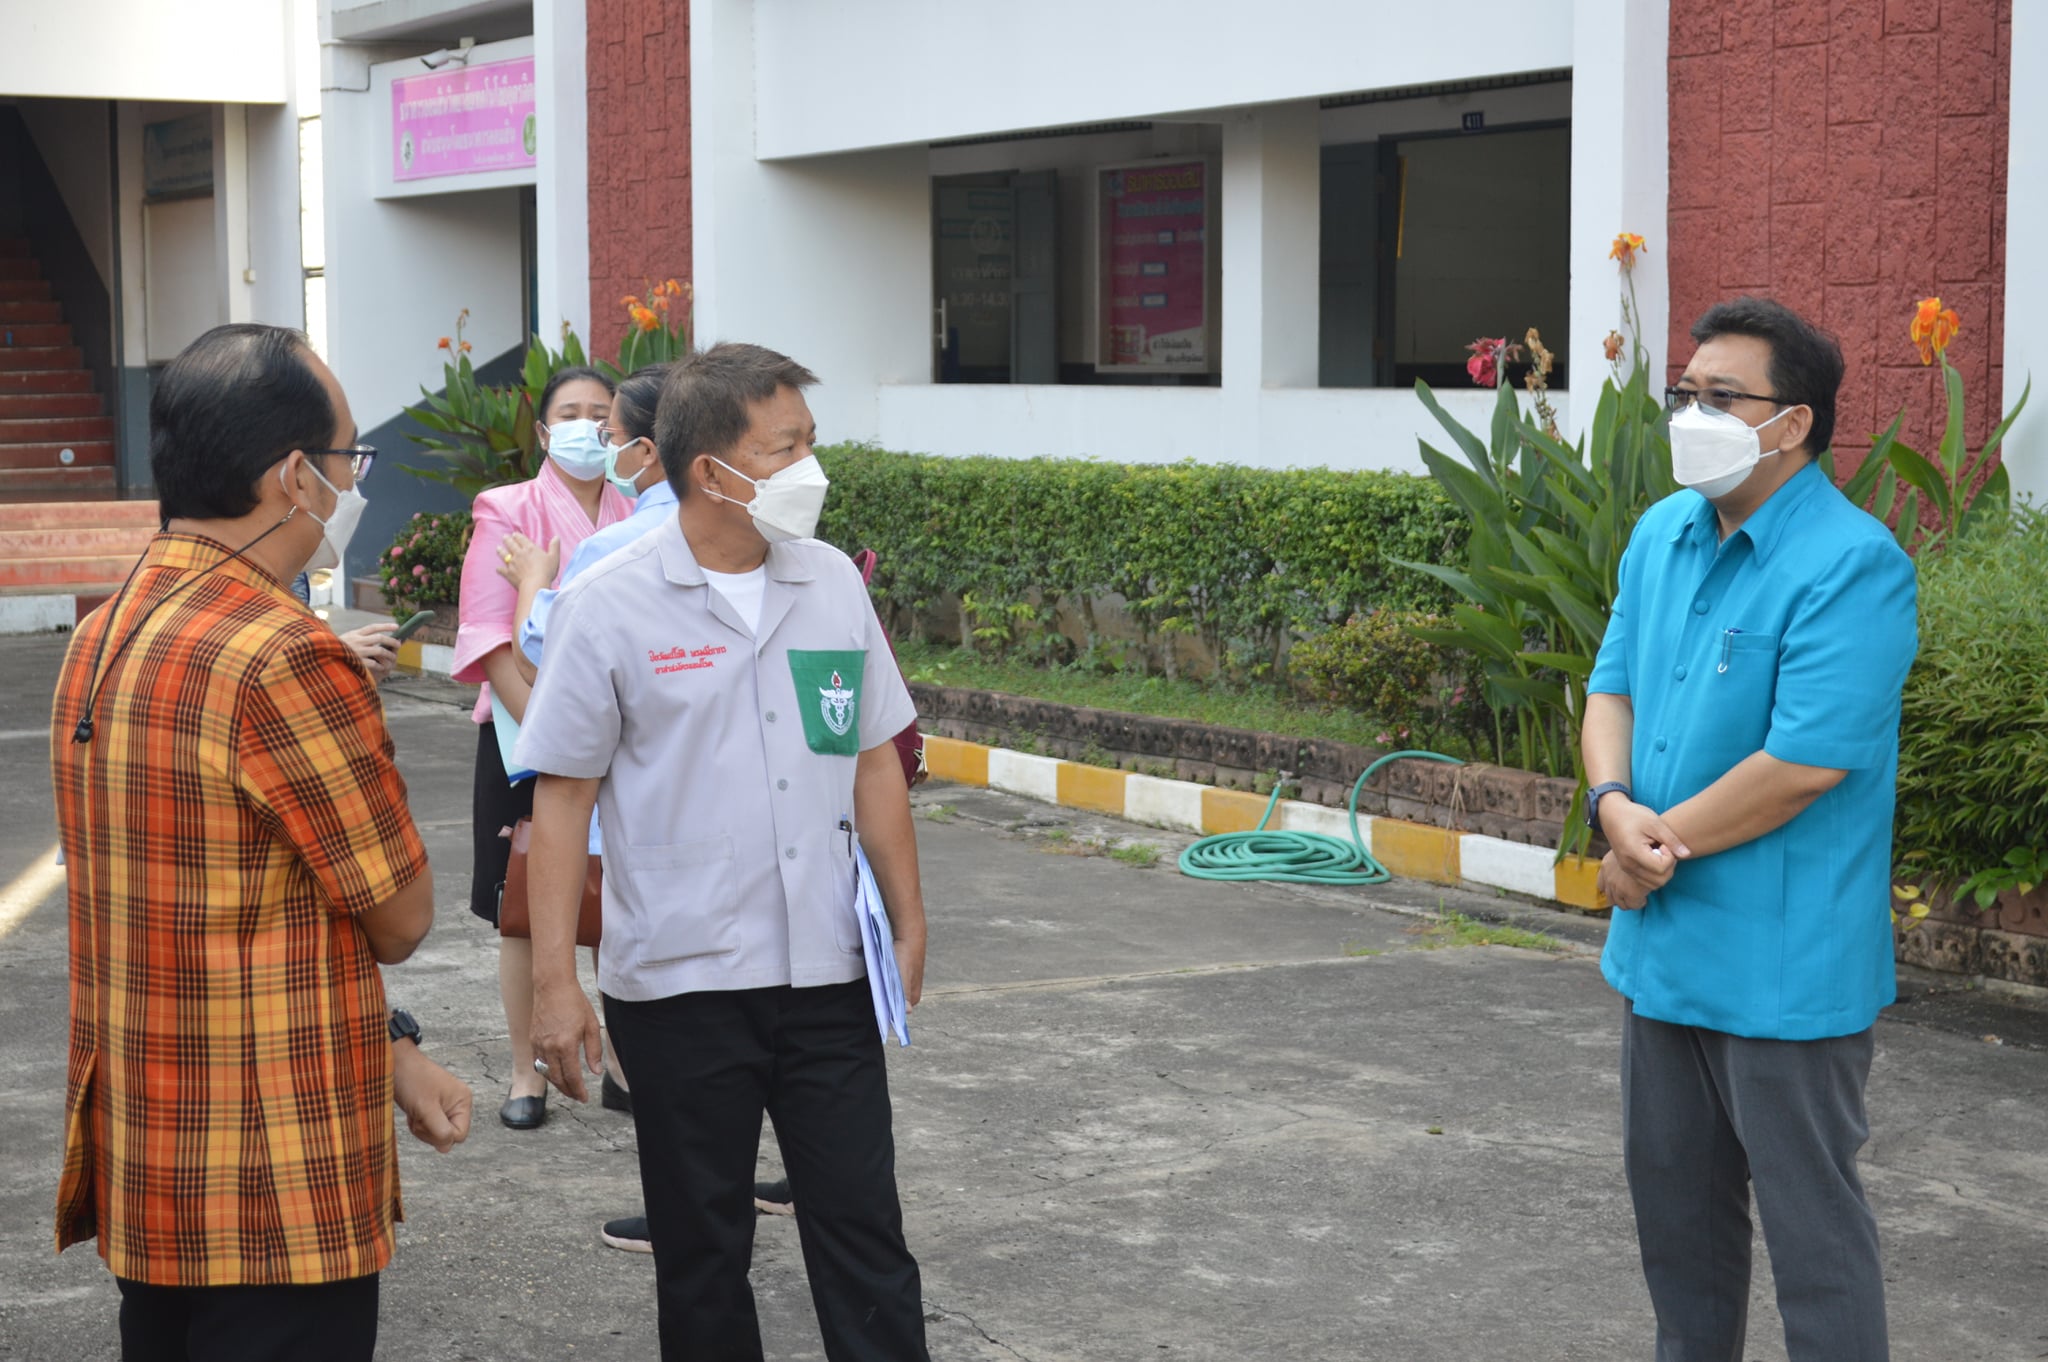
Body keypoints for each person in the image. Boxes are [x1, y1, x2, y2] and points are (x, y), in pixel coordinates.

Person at [48, 323, 473, 1362]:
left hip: (153, 1161)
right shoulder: (283, 652)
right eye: (349, 460)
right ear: (294, 477)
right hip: (272, 1181)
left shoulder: (107, 629)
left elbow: (233, 910)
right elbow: (400, 915)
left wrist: (392, 1046)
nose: (350, 484)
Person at [519, 343, 932, 1360]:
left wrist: (908, 918)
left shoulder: (830, 583)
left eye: (808, 443)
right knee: (703, 1249)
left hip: (825, 968)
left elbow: (873, 759)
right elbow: (564, 797)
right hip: (678, 982)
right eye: (784, 448)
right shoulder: (608, 602)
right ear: (711, 471)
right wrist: (552, 984)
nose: (808, 469)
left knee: (863, 1230)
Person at [1582, 296, 1918, 1361]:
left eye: (1722, 397)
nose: (1692, 413)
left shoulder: (1851, 564)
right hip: (1663, 946)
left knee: (1812, 1242)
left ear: (1794, 424)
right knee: (1676, 1228)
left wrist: (1649, 844)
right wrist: (1608, 804)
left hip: (1783, 961)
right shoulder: (1660, 533)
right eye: (1684, 393)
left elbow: (1803, 762)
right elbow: (1611, 689)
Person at [497, 363, 800, 1254]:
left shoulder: (618, 556)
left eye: (607, 421)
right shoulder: (690, 555)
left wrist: (531, 584)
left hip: (675, 881)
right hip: (728, 897)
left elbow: (540, 649)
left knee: (695, 1115)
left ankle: (701, 1198)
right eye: (789, 447)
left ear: (646, 448)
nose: (806, 468)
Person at [449, 365, 635, 1130]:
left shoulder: (637, 507)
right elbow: (493, 636)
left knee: (618, 899)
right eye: (571, 413)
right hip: (527, 737)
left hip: (622, 739)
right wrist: (559, 738)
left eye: (603, 414)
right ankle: (525, 1072)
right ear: (543, 429)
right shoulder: (508, 508)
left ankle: (622, 1060)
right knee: (525, 905)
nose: (588, 427)